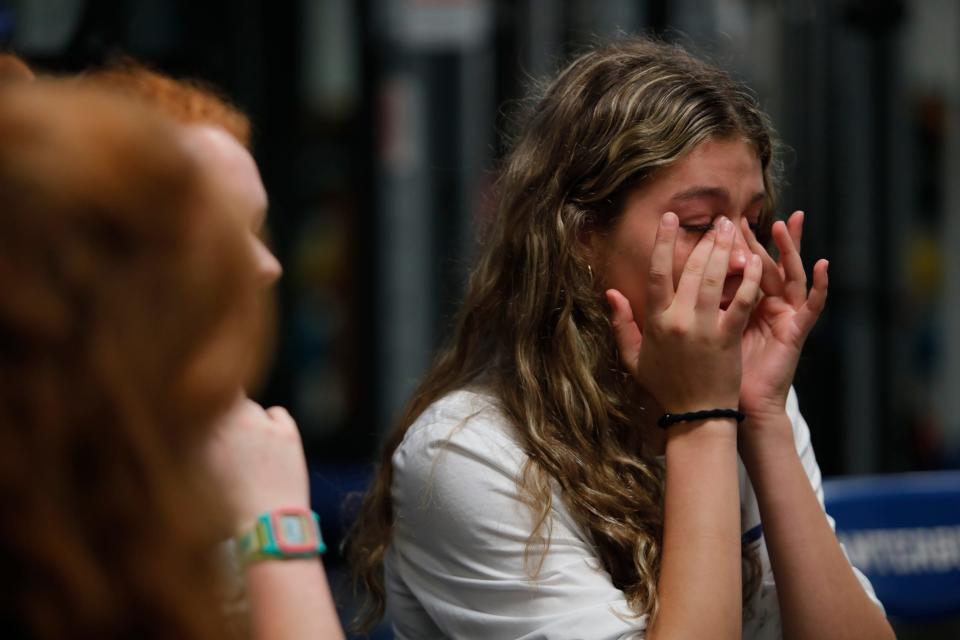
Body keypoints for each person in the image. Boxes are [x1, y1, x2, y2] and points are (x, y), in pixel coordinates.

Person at [348, 38, 895, 639]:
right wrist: (701, 417)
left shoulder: (745, 395)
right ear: (581, 237)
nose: (744, 259)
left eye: (755, 222)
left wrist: (762, 414)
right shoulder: (466, 454)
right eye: (696, 225)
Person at [0, 78, 342, 638]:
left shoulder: (178, 468)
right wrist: (278, 527)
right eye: (222, 235)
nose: (264, 266)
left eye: (259, 230)